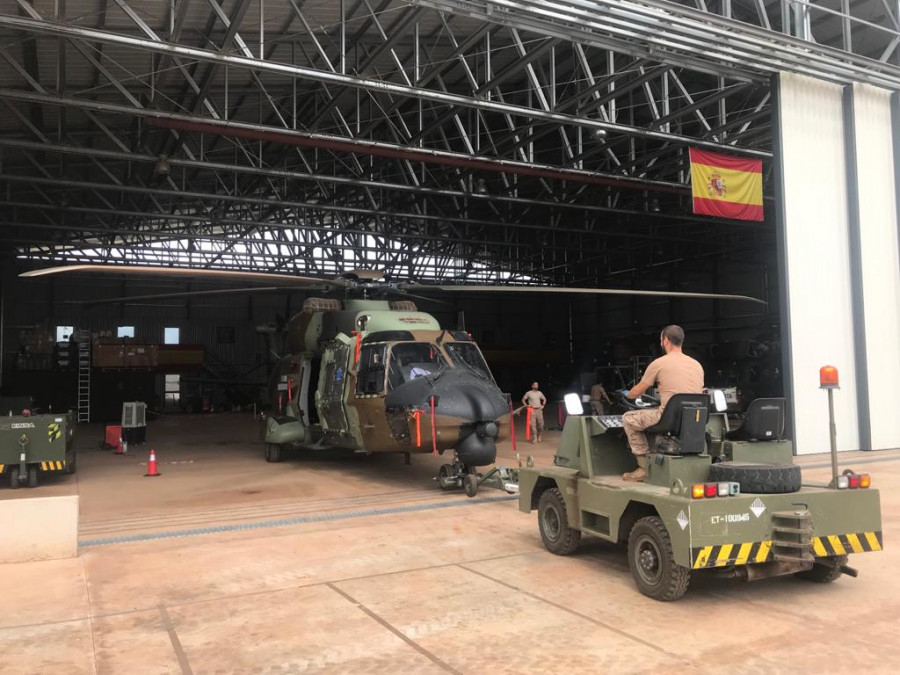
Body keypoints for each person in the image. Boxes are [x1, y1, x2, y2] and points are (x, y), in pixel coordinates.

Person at [621, 325, 704, 482]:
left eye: (661, 339)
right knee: (656, 412)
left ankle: (643, 468)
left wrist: (626, 394)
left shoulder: (659, 363)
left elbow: (637, 391)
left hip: (667, 418)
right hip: (691, 419)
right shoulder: (697, 365)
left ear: (665, 340)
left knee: (629, 418)